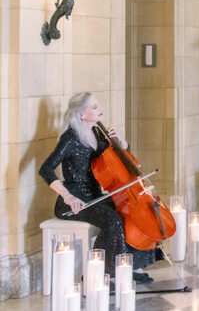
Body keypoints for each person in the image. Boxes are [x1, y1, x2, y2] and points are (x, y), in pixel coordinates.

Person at [39, 93, 159, 282]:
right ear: (81, 114)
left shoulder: (96, 133)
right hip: (74, 202)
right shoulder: (70, 138)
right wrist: (68, 197)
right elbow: (45, 169)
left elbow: (120, 157)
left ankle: (134, 265)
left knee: (130, 211)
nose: (99, 109)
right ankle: (101, 274)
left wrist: (120, 142)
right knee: (113, 220)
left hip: (95, 196)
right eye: (94, 107)